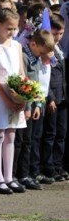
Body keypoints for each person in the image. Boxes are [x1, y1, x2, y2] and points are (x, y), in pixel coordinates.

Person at [0, 9, 26, 195]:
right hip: (0, 94)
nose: (12, 32)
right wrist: (7, 100)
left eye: (15, 29)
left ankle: (9, 177)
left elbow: (21, 73)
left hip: (16, 94)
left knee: (11, 135)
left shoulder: (17, 45)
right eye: (9, 28)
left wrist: (24, 96)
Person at [16, 29, 55, 191]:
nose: (43, 56)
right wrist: (27, 107)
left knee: (29, 141)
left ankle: (27, 174)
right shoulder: (24, 58)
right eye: (41, 52)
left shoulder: (36, 58)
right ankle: (19, 174)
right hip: (24, 106)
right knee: (22, 141)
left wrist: (38, 105)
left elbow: (37, 84)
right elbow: (24, 83)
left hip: (33, 105)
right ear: (33, 44)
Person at [41, 14, 68, 181]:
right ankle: (48, 166)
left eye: (61, 33)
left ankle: (58, 165)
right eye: (54, 33)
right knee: (50, 133)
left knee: (61, 133)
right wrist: (50, 97)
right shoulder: (47, 50)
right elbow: (46, 76)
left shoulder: (59, 49)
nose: (57, 37)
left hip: (63, 96)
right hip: (52, 97)